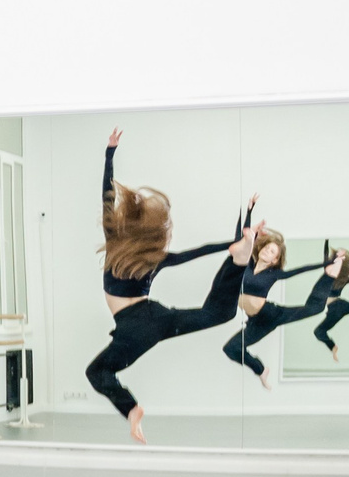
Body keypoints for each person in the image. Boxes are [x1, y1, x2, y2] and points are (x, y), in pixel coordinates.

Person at [84, 134, 253, 441]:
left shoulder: (114, 243)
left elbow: (107, 197)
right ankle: (239, 262)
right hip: (158, 319)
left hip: (135, 327)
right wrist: (234, 244)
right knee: (217, 313)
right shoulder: (156, 258)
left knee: (97, 373)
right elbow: (197, 251)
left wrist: (110, 154)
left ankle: (131, 409)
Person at [225, 243, 347, 387]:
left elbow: (300, 270)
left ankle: (329, 275)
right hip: (256, 321)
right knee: (231, 348)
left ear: (274, 260)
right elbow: (242, 244)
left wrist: (329, 263)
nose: (267, 251)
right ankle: (261, 370)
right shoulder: (246, 266)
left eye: (272, 252)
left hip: (272, 314)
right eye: (266, 248)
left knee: (314, 308)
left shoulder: (273, 274)